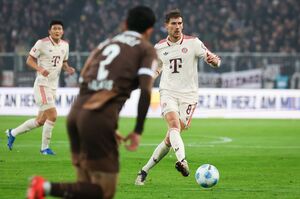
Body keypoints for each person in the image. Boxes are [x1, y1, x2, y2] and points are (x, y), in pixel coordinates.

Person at [26, 5, 157, 199]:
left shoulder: (104, 44)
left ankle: (43, 188)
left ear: (125, 24)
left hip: (76, 115)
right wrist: (137, 130)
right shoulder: (146, 49)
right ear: (149, 30)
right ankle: (43, 188)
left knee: (84, 186)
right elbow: (146, 91)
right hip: (97, 119)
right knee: (104, 190)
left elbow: (85, 80)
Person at [135, 9, 221, 185]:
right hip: (168, 92)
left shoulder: (194, 43)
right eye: (173, 23)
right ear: (166, 26)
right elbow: (158, 68)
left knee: (169, 138)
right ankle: (182, 161)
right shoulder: (159, 48)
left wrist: (215, 62)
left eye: (180, 23)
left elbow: (213, 59)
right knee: (173, 125)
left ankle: (143, 171)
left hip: (189, 96)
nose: (177, 27)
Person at [5, 20, 75, 155]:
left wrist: (68, 68)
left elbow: (63, 62)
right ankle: (44, 148)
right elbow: (29, 60)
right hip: (42, 85)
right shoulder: (41, 43)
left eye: (59, 29)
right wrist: (39, 68)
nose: (57, 31)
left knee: (41, 121)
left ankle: (12, 133)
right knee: (53, 115)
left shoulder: (65, 45)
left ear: (63, 31)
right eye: (54, 29)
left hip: (54, 86)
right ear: (50, 31)